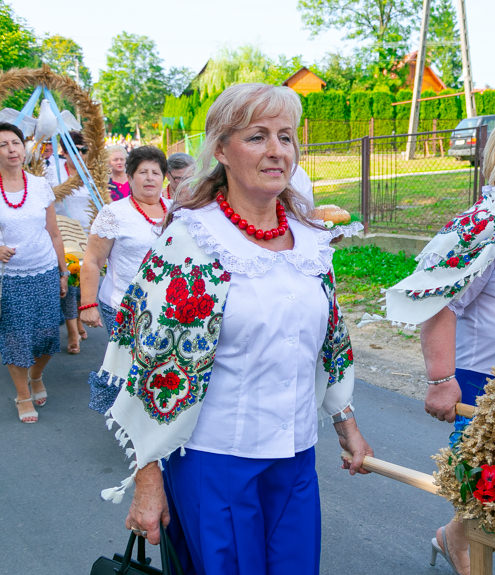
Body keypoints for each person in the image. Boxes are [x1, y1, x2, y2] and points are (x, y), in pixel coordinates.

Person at [92, 83, 373, 575]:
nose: (276, 150)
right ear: (220, 149)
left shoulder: (310, 239)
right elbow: (150, 369)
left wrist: (345, 423)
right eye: (257, 136)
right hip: (216, 463)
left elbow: (331, 339)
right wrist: (148, 480)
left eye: (286, 137)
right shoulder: (192, 241)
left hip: (294, 457)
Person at [386, 110, 495, 575]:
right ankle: (467, 547)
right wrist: (442, 379)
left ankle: (455, 537)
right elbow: (439, 302)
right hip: (485, 384)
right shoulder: (490, 220)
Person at [0, 122, 70, 423]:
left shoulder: (40, 185)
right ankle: (22, 394)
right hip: (6, 279)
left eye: (16, 142)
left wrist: (63, 271)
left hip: (44, 271)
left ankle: (36, 376)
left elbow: (54, 233)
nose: (12, 149)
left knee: (47, 338)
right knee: (16, 338)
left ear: (24, 147)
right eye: (4, 144)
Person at [79, 146, 172, 337]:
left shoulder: (176, 211)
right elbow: (92, 261)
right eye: (142, 172)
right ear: (130, 177)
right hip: (123, 306)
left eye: (155, 172)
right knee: (127, 366)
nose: (149, 178)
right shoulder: (114, 213)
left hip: (166, 306)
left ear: (163, 178)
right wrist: (88, 304)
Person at [55, 131, 91, 353]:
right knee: (69, 282)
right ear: (64, 152)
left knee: (84, 283)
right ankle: (72, 332)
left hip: (88, 234)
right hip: (65, 234)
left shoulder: (92, 172)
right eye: (74, 150)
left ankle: (78, 320)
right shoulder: (54, 172)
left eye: (83, 150)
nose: (79, 155)